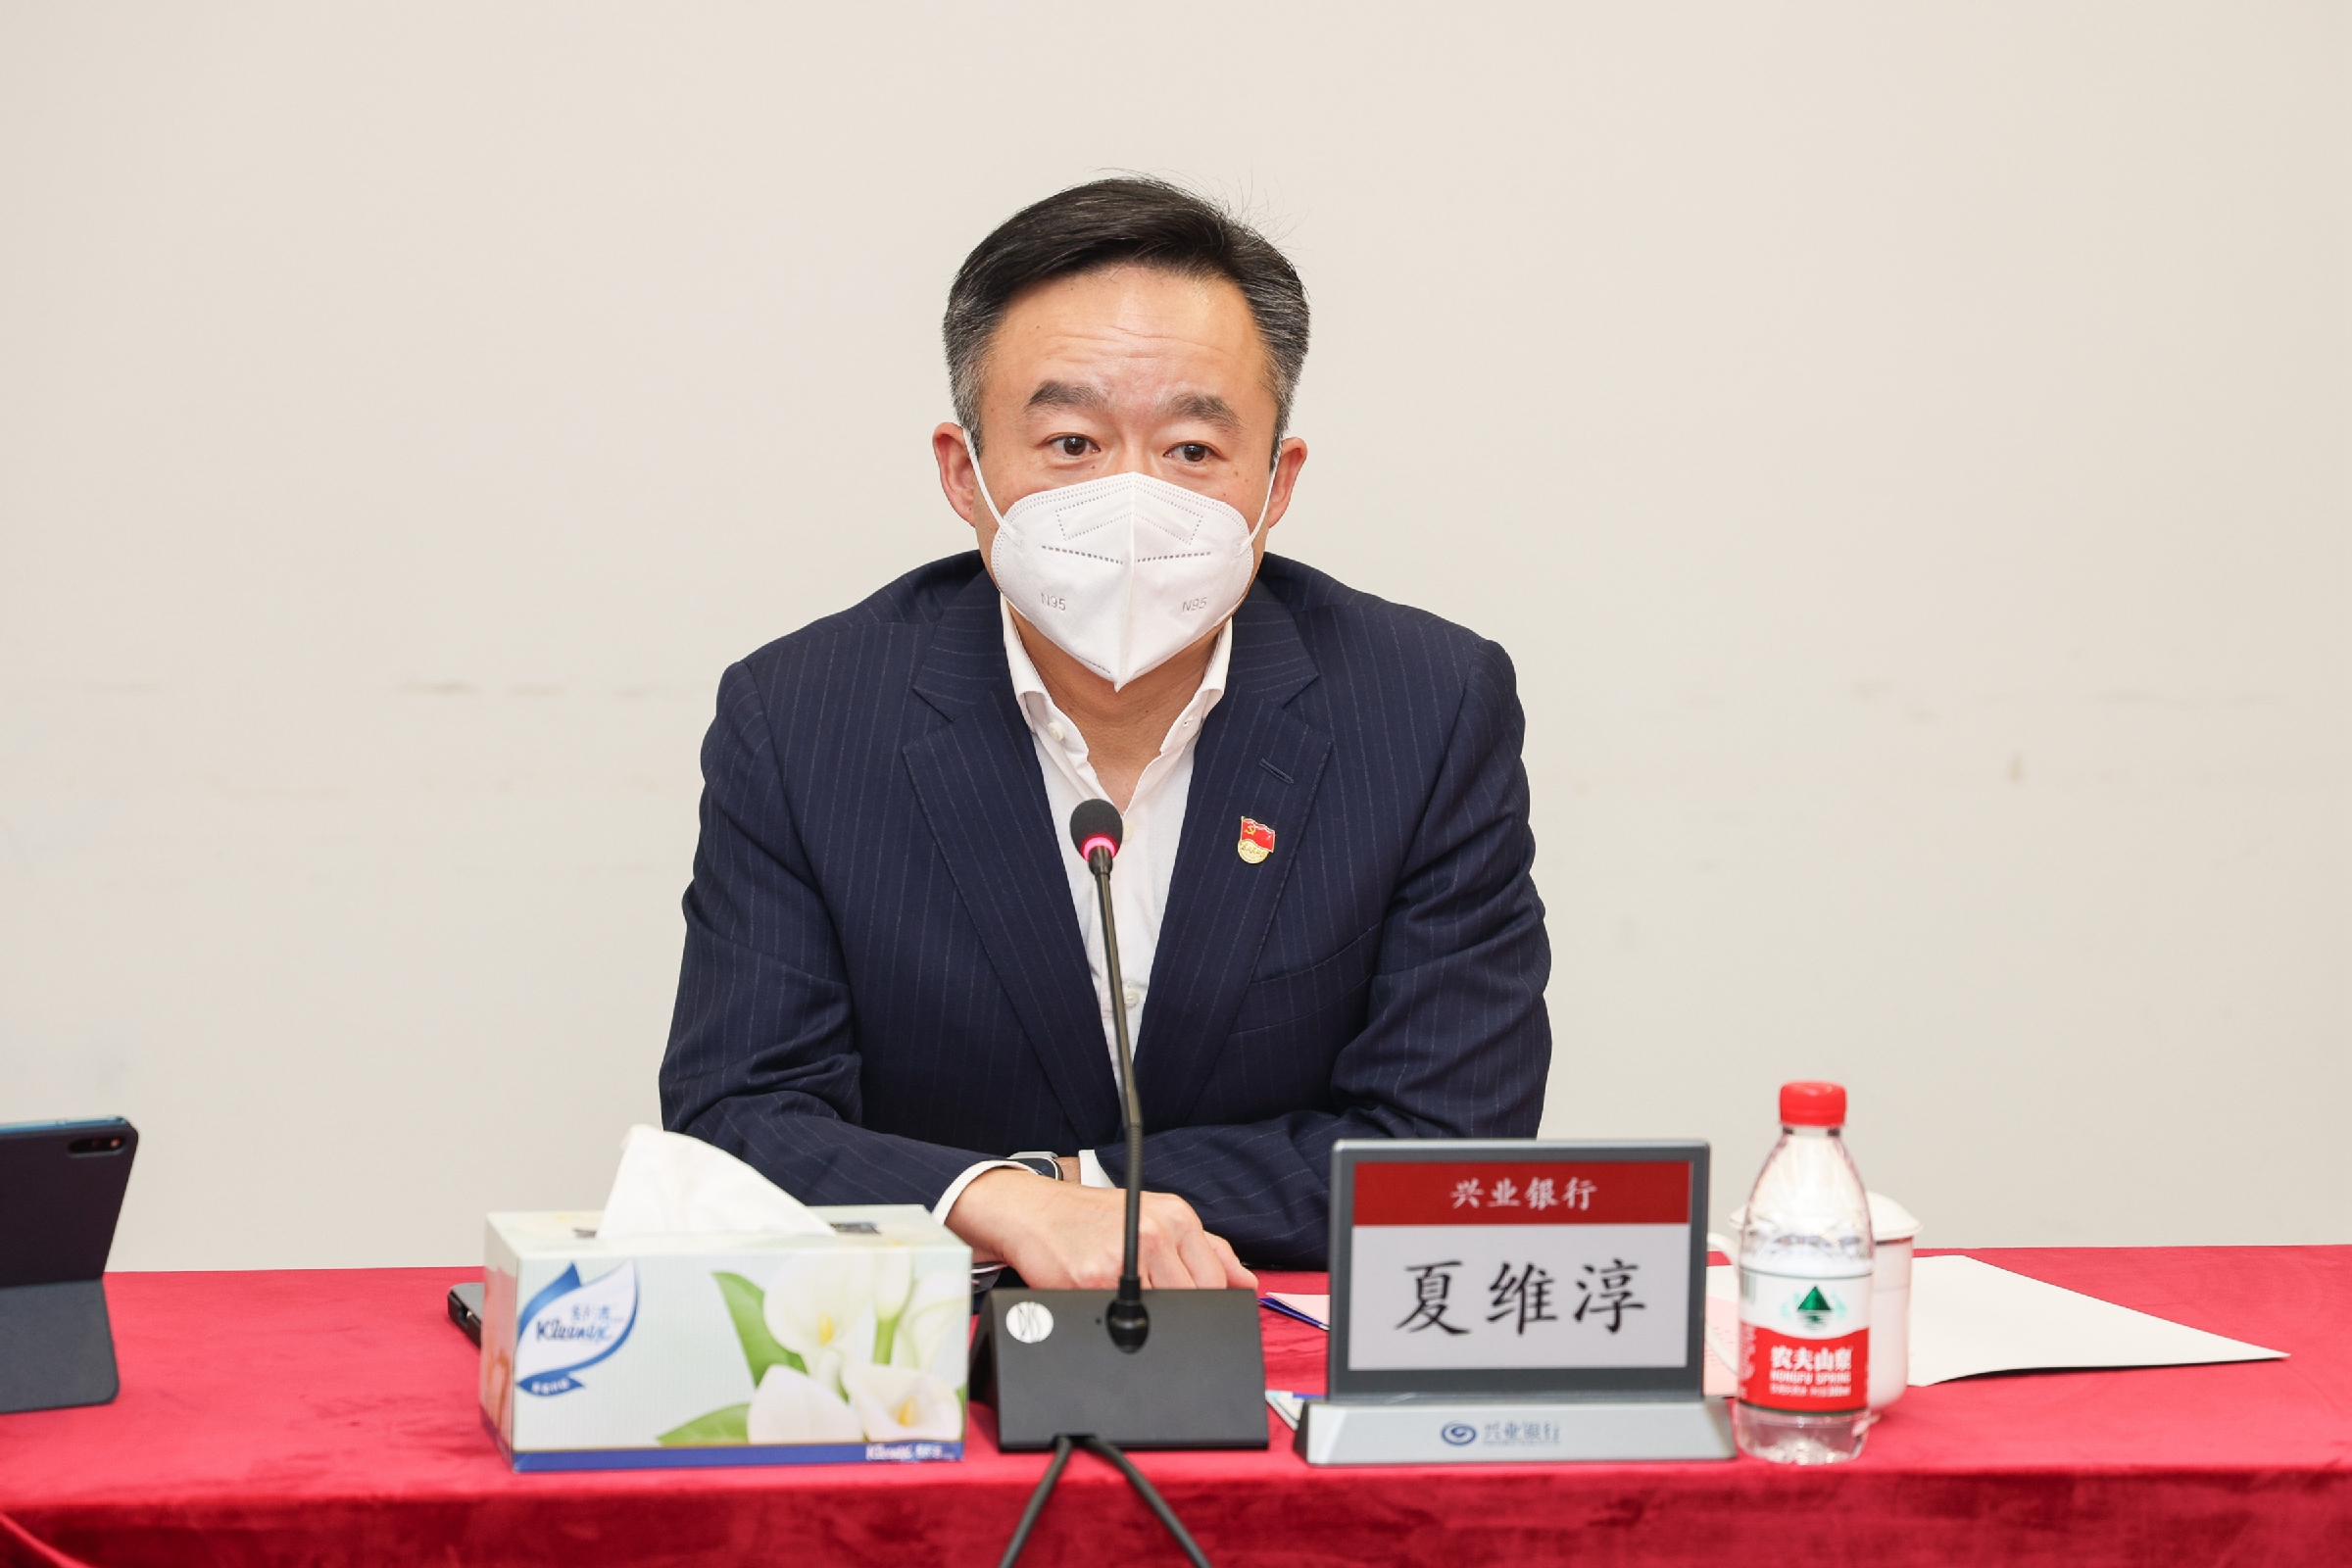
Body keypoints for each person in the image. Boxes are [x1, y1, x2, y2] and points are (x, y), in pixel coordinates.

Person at [659, 178, 1548, 1292]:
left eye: (1192, 449)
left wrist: (1067, 1187)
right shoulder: (804, 716)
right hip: (946, 1354)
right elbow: (737, 1118)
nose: (1132, 499)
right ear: (965, 473)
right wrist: (994, 1206)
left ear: (1277, 483)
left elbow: (1447, 1144)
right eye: (1072, 442)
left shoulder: (1425, 706)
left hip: (1270, 1336)